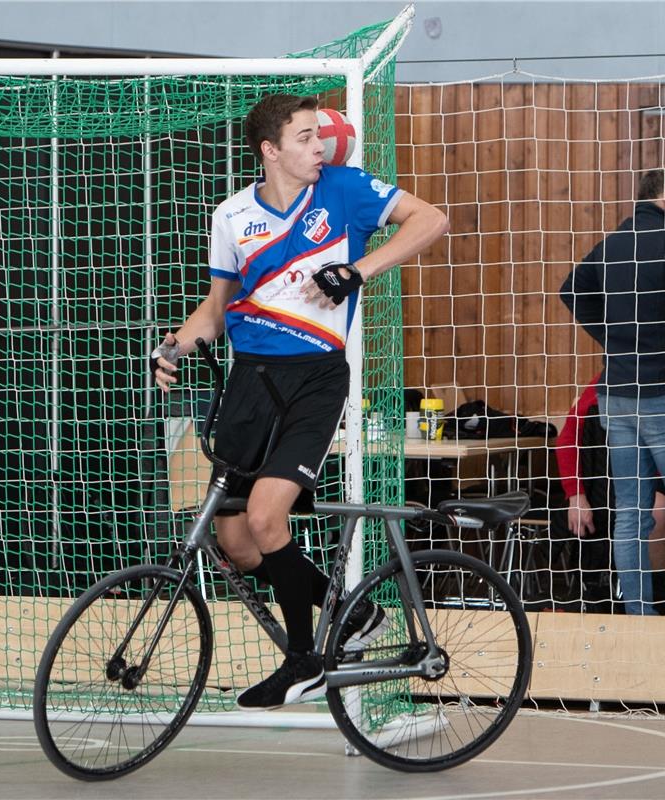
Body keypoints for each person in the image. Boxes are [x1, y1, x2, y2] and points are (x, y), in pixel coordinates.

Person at [151, 94, 449, 709]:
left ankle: (303, 658)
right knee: (234, 541)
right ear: (271, 150)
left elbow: (432, 220)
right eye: (308, 138)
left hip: (314, 380)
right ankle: (355, 616)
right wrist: (176, 347)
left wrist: (358, 271)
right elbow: (216, 309)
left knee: (266, 517)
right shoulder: (232, 215)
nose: (322, 147)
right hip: (250, 382)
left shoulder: (345, 190)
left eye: (321, 136)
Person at [560, 168, 665, 615]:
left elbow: (571, 290)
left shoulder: (612, 244)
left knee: (630, 513)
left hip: (617, 394)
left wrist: (611, 337)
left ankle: (639, 620)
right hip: (663, 392)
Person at [555, 371, 665, 613]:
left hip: (641, 479)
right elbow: (566, 440)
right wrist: (576, 495)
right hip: (615, 489)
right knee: (655, 512)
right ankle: (656, 601)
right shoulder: (602, 383)